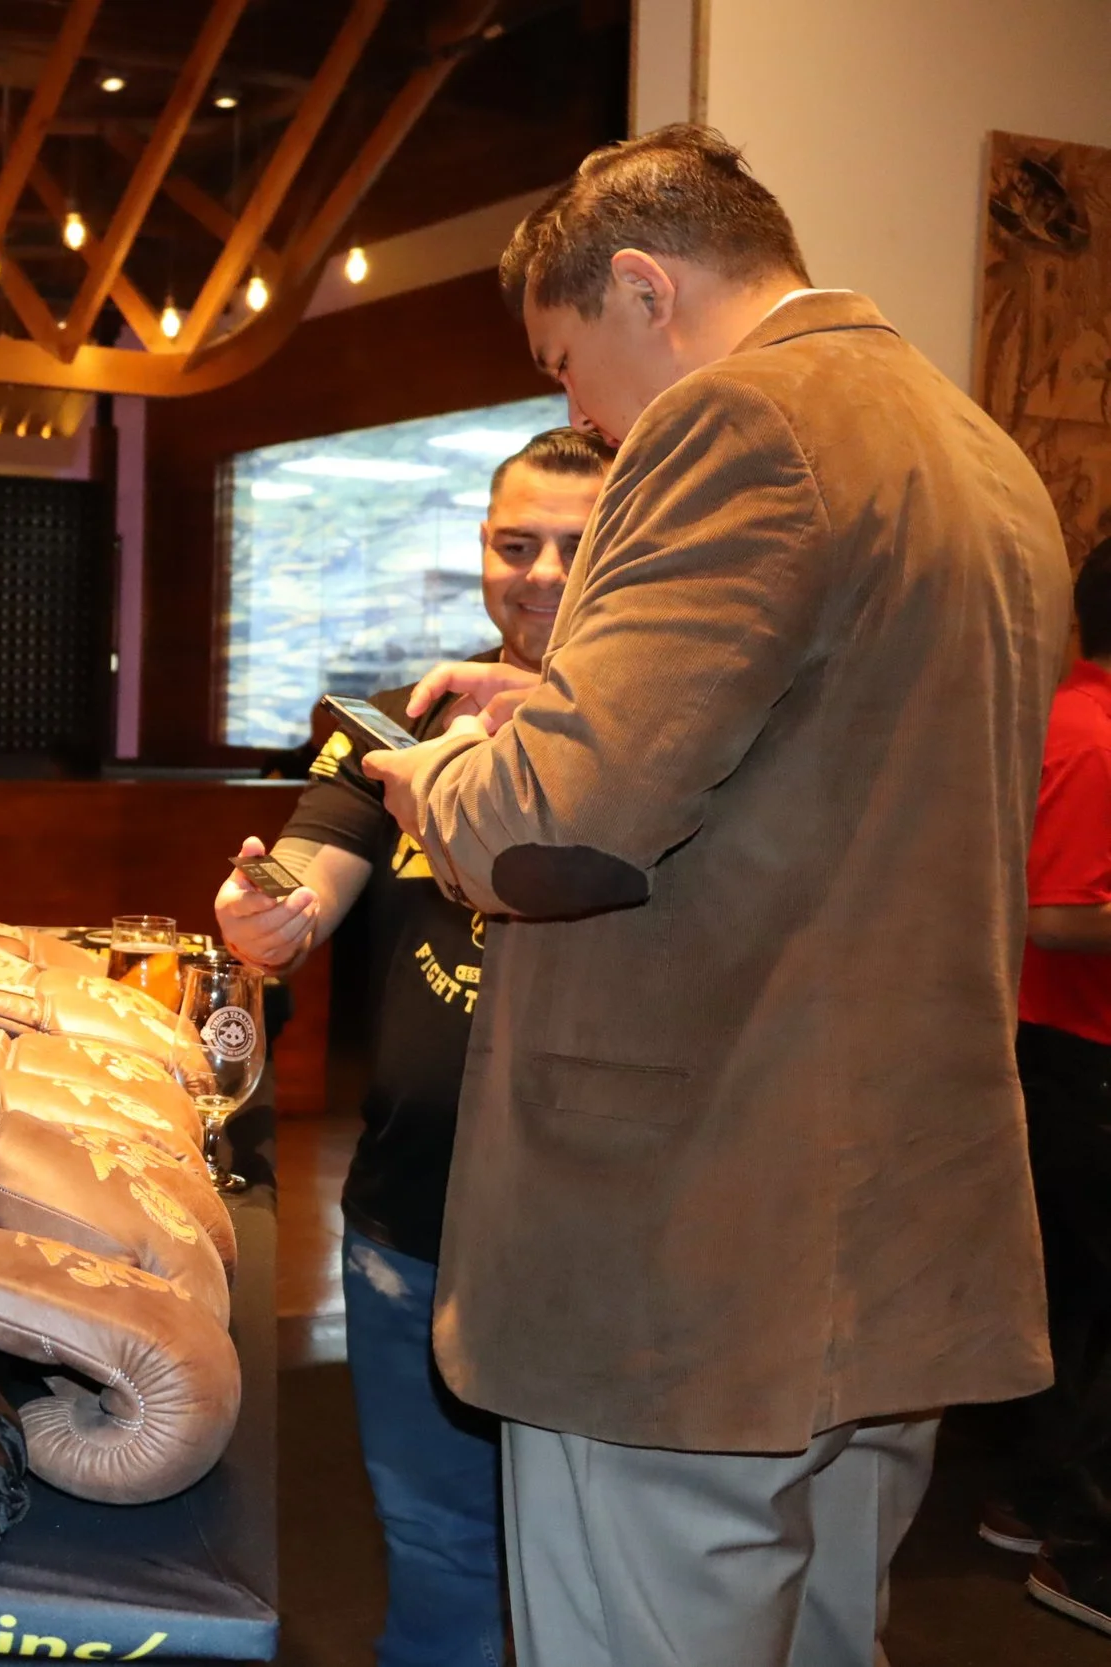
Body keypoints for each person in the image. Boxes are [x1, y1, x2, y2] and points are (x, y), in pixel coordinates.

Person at [356, 125, 1069, 1664]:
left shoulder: (737, 419)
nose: (579, 413)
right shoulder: (983, 455)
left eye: (565, 363)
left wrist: (444, 781)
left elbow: (552, 831)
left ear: (644, 288)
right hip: (890, 1227)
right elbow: (824, 768)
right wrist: (547, 709)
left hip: (692, 1247)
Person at [214, 425, 613, 1667]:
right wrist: (269, 915)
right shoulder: (405, 719)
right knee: (440, 1556)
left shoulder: (659, 742)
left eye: (576, 543)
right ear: (479, 548)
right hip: (410, 1226)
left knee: (602, 1571)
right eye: (515, 543)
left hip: (606, 1234)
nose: (541, 573)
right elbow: (312, 867)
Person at [1000, 537, 1111, 1634]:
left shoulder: (1070, 711)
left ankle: (1033, 1503)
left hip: (1059, 1049)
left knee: (1072, 1305)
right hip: (1074, 1050)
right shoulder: (1092, 732)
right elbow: (1056, 914)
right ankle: (1082, 1550)